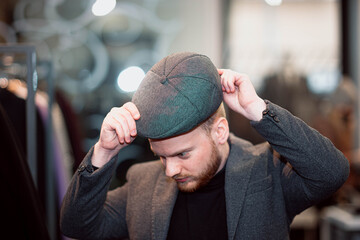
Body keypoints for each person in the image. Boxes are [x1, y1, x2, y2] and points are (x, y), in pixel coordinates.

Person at [60, 52, 349, 240]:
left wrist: (258, 110)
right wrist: (104, 152)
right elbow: (76, 226)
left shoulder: (268, 173)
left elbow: (332, 172)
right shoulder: (142, 183)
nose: (171, 170)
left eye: (182, 153)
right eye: (160, 157)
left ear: (220, 132)